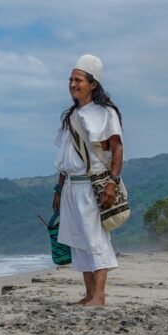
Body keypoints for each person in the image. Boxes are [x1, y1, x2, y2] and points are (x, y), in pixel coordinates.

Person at [52, 54, 124, 306]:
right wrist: (58, 189)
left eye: (78, 80)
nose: (73, 84)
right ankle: (89, 293)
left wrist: (112, 183)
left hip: (93, 185)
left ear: (93, 84)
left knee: (95, 239)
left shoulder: (106, 113)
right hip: (72, 184)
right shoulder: (70, 116)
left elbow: (116, 149)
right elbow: (65, 155)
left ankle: (100, 296)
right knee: (78, 240)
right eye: (71, 79)